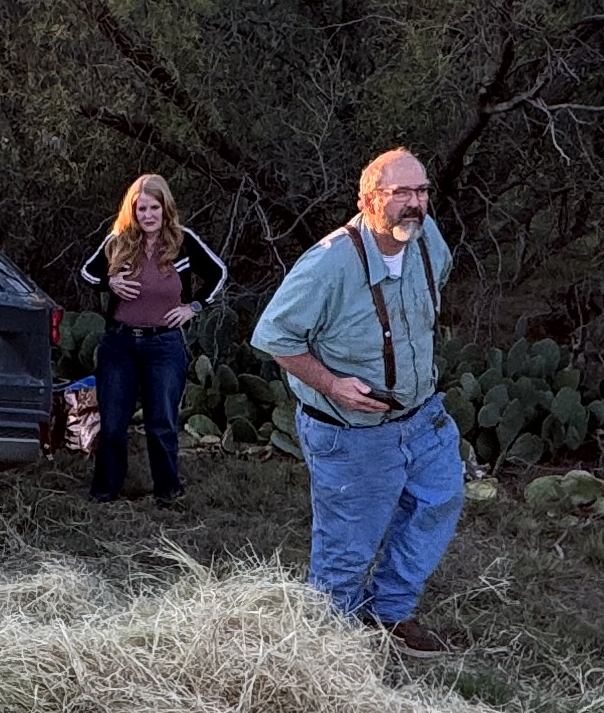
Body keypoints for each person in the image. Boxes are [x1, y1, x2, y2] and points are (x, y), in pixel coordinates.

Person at [251, 148, 465, 652]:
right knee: (348, 547)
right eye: (401, 194)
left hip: (422, 417)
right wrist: (332, 384)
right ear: (369, 201)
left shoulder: (427, 240)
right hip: (351, 432)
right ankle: (329, 648)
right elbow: (273, 335)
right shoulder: (328, 263)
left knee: (438, 502)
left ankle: (390, 614)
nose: (415, 204)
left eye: (422, 191)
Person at [79, 171, 222, 504]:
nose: (147, 216)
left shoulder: (182, 240)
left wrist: (195, 306)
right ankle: (105, 492)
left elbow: (218, 272)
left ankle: (168, 493)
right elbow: (88, 271)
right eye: (141, 209)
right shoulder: (119, 239)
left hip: (164, 344)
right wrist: (109, 283)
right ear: (132, 210)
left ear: (165, 208)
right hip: (120, 343)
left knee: (162, 422)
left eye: (153, 208)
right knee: (113, 423)